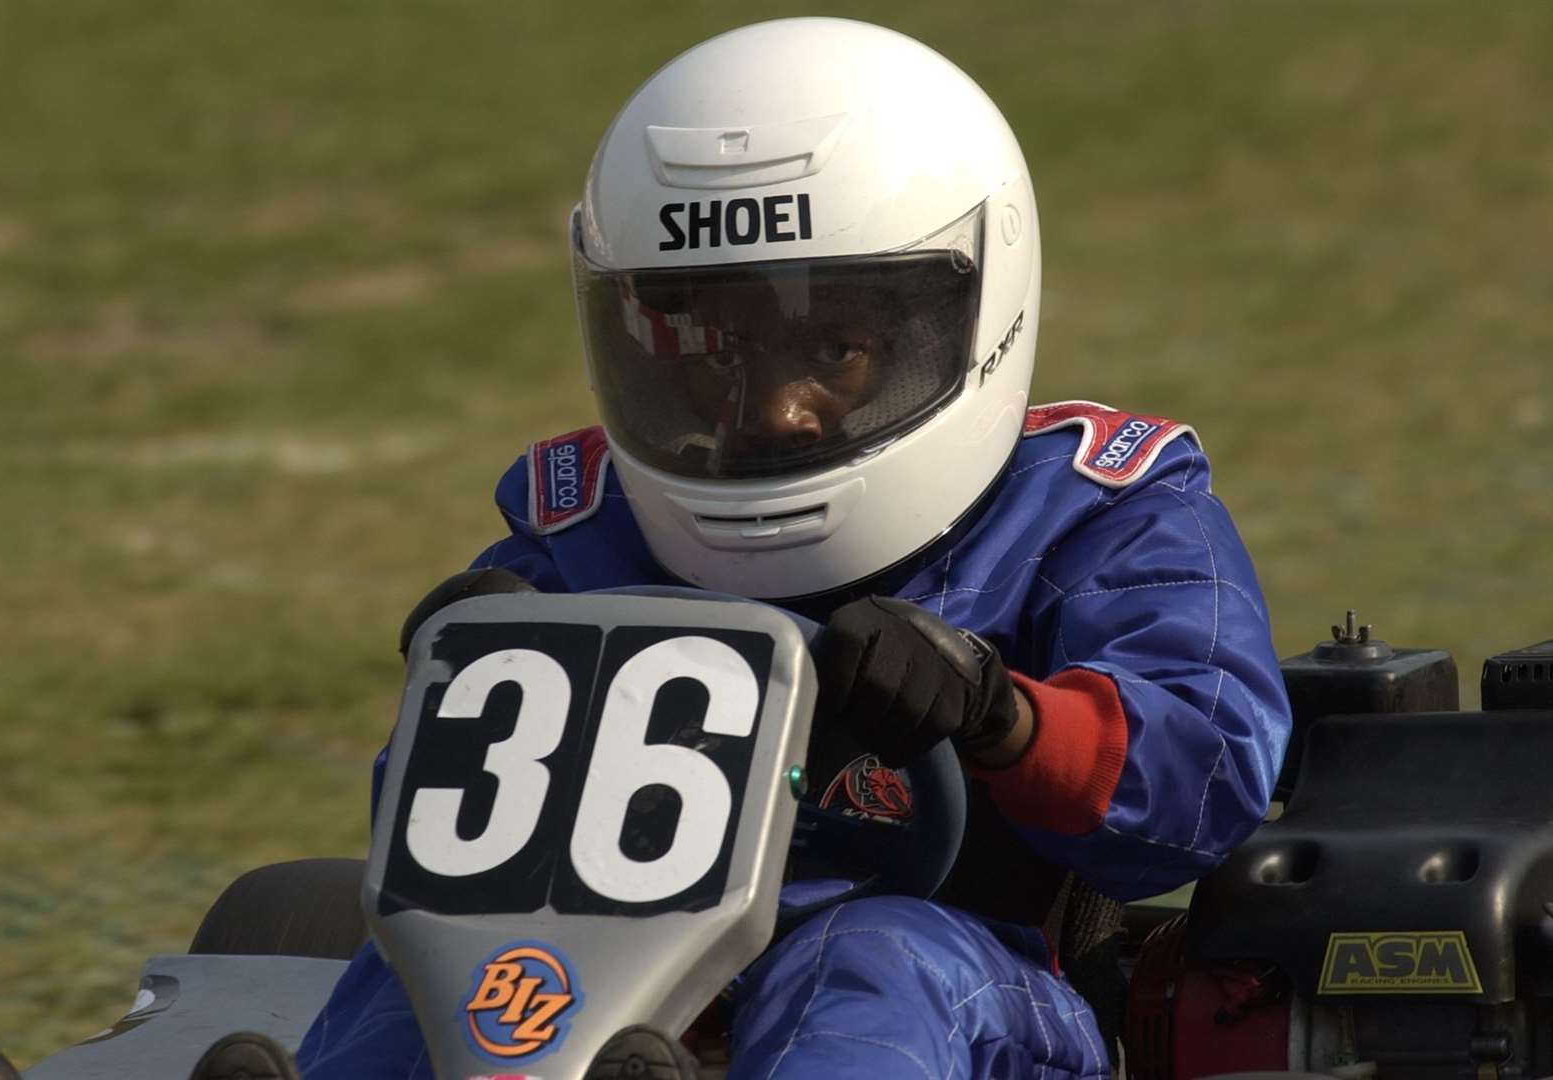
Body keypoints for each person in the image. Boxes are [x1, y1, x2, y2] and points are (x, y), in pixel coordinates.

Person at [199, 17, 1292, 1080]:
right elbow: (444, 852)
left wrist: (996, 712)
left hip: (966, 994)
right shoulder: (581, 529)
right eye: (715, 349)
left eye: (835, 347)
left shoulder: (1094, 508)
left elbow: (1202, 786)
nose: (775, 411)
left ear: (964, 308)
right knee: (437, 968)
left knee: (860, 958)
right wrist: (475, 688)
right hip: (611, 1001)